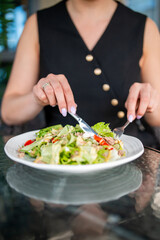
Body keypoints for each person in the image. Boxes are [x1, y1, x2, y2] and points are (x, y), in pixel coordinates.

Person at [1, 0, 160, 148]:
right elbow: (9, 113)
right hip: (59, 156)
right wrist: (37, 98)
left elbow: (157, 117)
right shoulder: (36, 24)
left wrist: (149, 101)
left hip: (128, 153)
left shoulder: (145, 27)